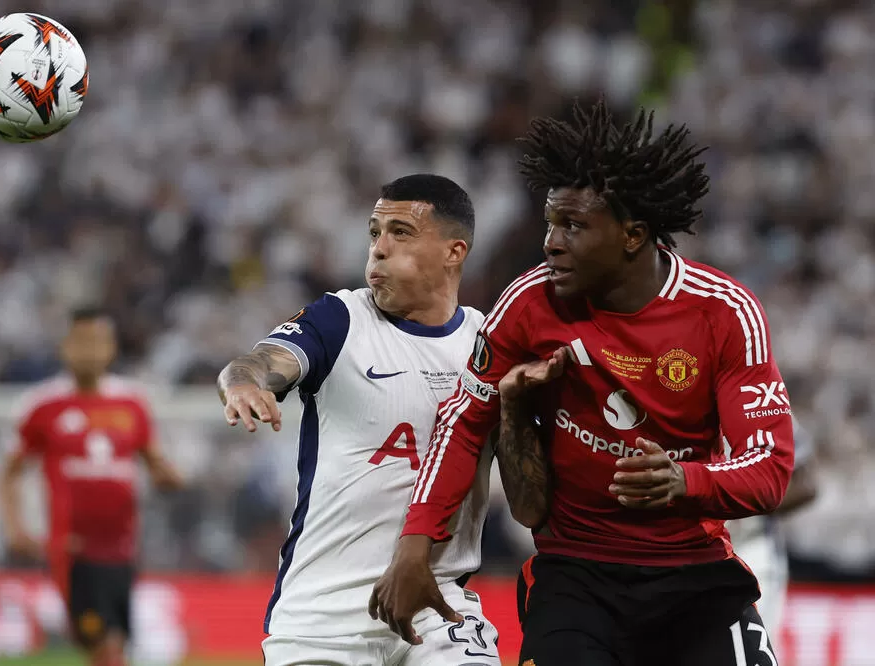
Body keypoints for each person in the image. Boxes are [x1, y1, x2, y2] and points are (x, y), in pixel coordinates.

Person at [371, 100, 795, 666]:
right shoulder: (530, 301)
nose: (550, 242)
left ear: (632, 235)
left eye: (572, 226)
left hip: (694, 574)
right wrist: (415, 545)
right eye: (550, 222)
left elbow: (769, 471)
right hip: (577, 574)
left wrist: (685, 480)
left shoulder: (724, 313)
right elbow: (464, 423)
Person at [217, 174, 504, 666]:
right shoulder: (340, 319)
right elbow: (261, 361)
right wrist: (244, 382)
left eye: (401, 232)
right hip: (324, 617)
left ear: (454, 252)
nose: (379, 249)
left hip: (437, 606)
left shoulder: (489, 343)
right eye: (374, 233)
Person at [0, 306, 183, 666]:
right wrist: (15, 527)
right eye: (81, 341)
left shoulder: (132, 403)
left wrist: (170, 476)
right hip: (73, 549)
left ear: (111, 348)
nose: (90, 350)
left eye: (98, 341)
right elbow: (10, 473)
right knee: (105, 646)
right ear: (65, 347)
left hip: (123, 547)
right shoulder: (43, 406)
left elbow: (156, 462)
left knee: (111, 647)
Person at [729, 414, 818, 632]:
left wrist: (738, 503)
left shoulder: (763, 406)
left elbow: (806, 484)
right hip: (685, 552)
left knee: (751, 644)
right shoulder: (669, 404)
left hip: (751, 551)